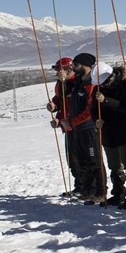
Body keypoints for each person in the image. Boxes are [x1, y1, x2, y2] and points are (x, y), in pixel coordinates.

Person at [93, 61, 126, 209]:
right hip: (108, 133)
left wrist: (106, 100)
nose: (105, 86)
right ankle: (118, 193)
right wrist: (96, 120)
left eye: (107, 82)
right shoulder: (99, 88)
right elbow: (93, 108)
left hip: (125, 131)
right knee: (113, 165)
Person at [61, 52, 104, 203]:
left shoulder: (91, 84)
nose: (74, 68)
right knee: (83, 161)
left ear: (85, 66)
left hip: (89, 128)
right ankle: (87, 190)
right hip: (78, 129)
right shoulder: (78, 83)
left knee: (94, 160)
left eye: (76, 65)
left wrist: (73, 122)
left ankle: (100, 191)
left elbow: (89, 110)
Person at [48, 56, 80, 196]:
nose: (58, 73)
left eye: (60, 70)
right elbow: (59, 99)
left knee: (81, 158)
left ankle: (86, 186)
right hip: (66, 126)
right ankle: (79, 186)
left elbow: (69, 100)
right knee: (71, 158)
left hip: (78, 126)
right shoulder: (61, 84)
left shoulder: (75, 83)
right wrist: (54, 108)